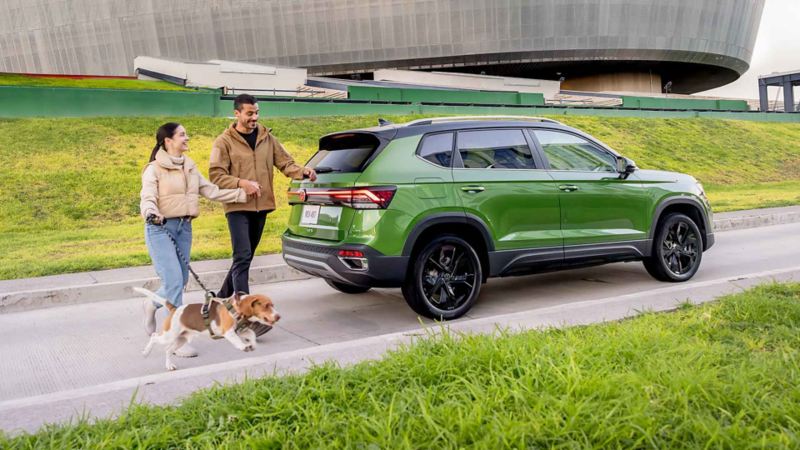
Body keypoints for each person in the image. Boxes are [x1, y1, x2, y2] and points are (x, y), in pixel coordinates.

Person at [209, 94, 317, 335]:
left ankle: (219, 300)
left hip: (262, 205)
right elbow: (216, 175)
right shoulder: (223, 142)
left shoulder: (267, 138)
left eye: (256, 112)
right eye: (249, 113)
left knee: (243, 258)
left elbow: (285, 163)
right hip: (238, 206)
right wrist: (242, 183)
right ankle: (245, 318)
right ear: (237, 113)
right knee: (243, 255)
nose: (254, 118)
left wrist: (303, 172)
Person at [140, 122, 247, 357]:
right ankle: (176, 338)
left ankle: (152, 304)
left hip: (184, 228)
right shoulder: (154, 169)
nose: (187, 137)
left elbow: (211, 191)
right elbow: (147, 197)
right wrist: (150, 212)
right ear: (168, 141)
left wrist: (242, 194)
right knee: (175, 280)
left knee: (181, 279)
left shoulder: (189, 166)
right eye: (182, 135)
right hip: (160, 227)